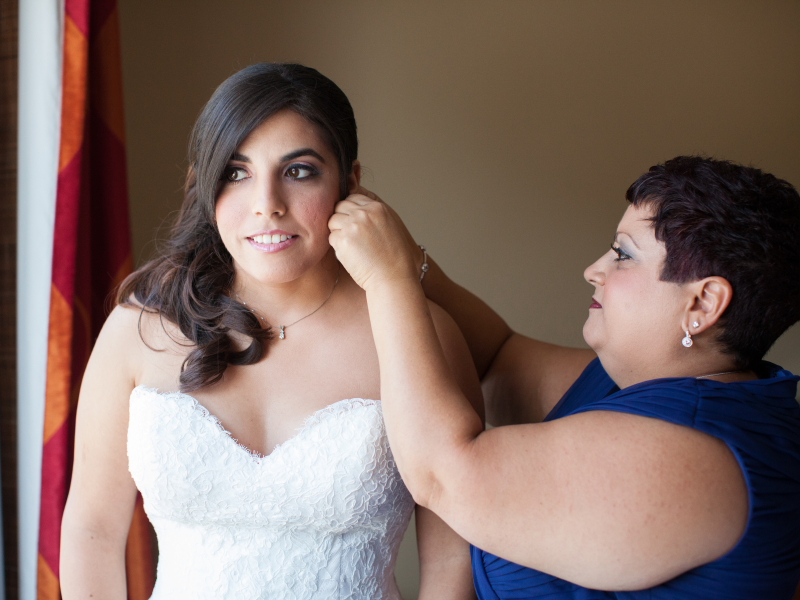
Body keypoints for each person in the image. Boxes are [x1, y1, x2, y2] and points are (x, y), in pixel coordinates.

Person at [58, 63, 484, 599]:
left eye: (299, 171)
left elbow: (451, 565)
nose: (267, 205)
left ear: (350, 185)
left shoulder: (422, 336)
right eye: (236, 173)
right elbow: (92, 529)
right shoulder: (138, 333)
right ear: (203, 186)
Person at [328, 156, 800, 598]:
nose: (594, 270)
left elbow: (441, 475)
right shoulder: (664, 386)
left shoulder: (687, 457)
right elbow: (496, 360)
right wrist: (400, 250)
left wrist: (390, 280)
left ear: (702, 303)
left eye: (623, 254)